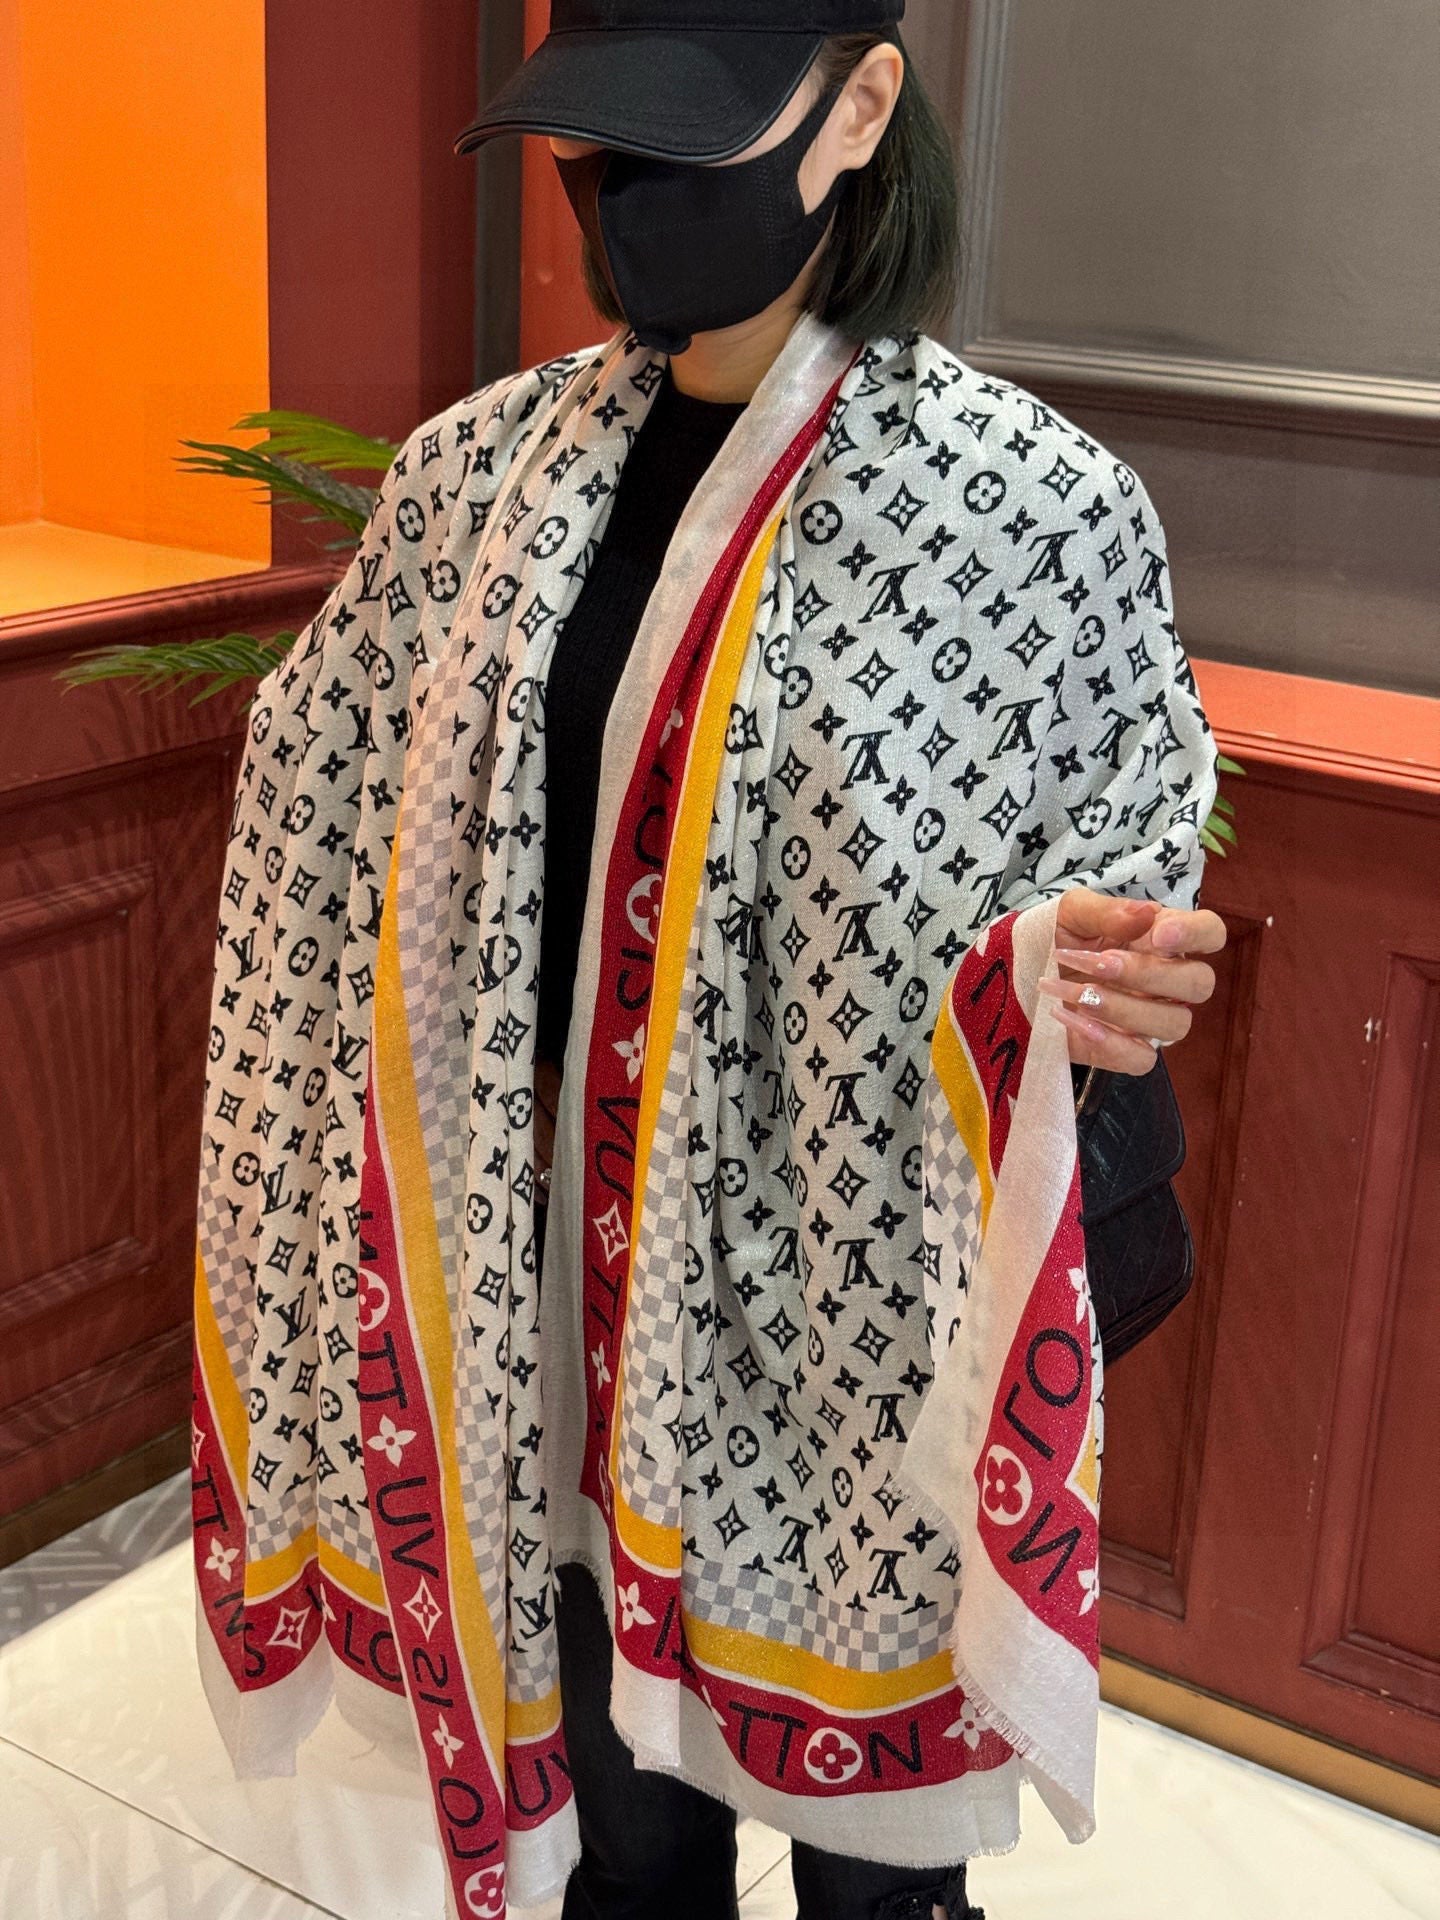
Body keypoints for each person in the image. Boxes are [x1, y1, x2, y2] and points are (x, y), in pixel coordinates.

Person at [191, 5, 1226, 1918]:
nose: (623, 199)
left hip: (846, 1319)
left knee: (877, 1880)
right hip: (549, 1320)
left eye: (685, 144)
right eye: (594, 146)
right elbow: (320, 794)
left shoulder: (1027, 511)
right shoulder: (474, 481)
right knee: (631, 1848)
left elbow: (1117, 836)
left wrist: (1080, 971)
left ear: (860, 108)